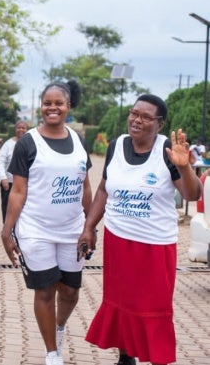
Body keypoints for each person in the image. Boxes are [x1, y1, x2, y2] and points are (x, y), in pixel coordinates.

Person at [80, 94, 202, 365]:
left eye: (146, 117)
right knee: (121, 302)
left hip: (154, 246)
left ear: (159, 124)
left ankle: (157, 358)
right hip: (118, 240)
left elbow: (192, 194)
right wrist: (89, 227)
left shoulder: (167, 151)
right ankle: (126, 357)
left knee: (153, 306)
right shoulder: (116, 145)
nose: (137, 120)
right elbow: (103, 189)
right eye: (134, 113)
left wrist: (185, 169)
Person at [0, 80, 92, 365]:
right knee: (45, 290)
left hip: (72, 229)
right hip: (35, 230)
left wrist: (90, 226)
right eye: (47, 103)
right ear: (41, 106)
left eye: (59, 103)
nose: (52, 108)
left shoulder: (78, 140)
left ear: (69, 107)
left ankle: (60, 326)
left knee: (70, 291)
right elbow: (18, 190)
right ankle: (52, 352)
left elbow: (86, 186)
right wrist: (7, 230)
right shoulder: (28, 142)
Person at [0, 120, 29, 222]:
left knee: (23, 206)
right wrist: (3, 178)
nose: (21, 130)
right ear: (15, 129)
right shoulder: (8, 144)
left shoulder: (30, 144)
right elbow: (0, 161)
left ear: (27, 130)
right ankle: (7, 227)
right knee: (7, 205)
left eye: (23, 128)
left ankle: (20, 228)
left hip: (25, 183)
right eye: (19, 127)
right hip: (8, 182)